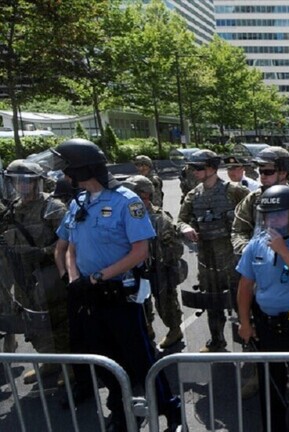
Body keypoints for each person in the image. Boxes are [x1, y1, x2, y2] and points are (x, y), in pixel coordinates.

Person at [50, 138, 181, 432]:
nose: (64, 173)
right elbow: (71, 246)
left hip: (118, 294)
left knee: (142, 360)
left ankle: (170, 409)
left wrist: (97, 277)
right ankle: (121, 410)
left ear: (83, 168)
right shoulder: (79, 202)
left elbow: (140, 251)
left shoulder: (126, 201)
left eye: (67, 167)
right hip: (87, 295)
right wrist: (74, 279)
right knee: (104, 359)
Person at [230, 145, 289, 398]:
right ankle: (258, 374)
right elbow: (238, 229)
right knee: (254, 324)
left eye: (268, 171)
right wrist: (251, 251)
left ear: (283, 172)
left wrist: (286, 253)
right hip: (260, 270)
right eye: (259, 171)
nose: (261, 176)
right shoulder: (253, 199)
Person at [0, 160, 70, 383]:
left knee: (59, 321)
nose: (22, 185)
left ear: (37, 182)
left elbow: (70, 240)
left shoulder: (53, 207)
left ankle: (70, 369)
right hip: (23, 276)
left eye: (27, 181)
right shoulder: (11, 209)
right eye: (16, 181)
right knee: (33, 323)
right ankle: (49, 362)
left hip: (50, 273)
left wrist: (43, 252)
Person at [178, 150, 250, 353]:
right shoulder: (194, 195)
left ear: (211, 168)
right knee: (212, 301)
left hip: (233, 258)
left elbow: (254, 215)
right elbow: (180, 220)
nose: (194, 172)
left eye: (198, 168)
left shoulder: (234, 191)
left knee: (241, 301)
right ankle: (217, 341)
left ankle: (247, 341)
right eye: (193, 168)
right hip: (207, 259)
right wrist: (185, 227)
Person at [122, 175, 185, 350]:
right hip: (136, 268)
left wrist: (163, 261)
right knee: (141, 302)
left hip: (159, 269)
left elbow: (176, 249)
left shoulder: (160, 219)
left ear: (145, 195)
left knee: (166, 303)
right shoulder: (128, 215)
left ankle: (174, 330)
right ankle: (147, 328)